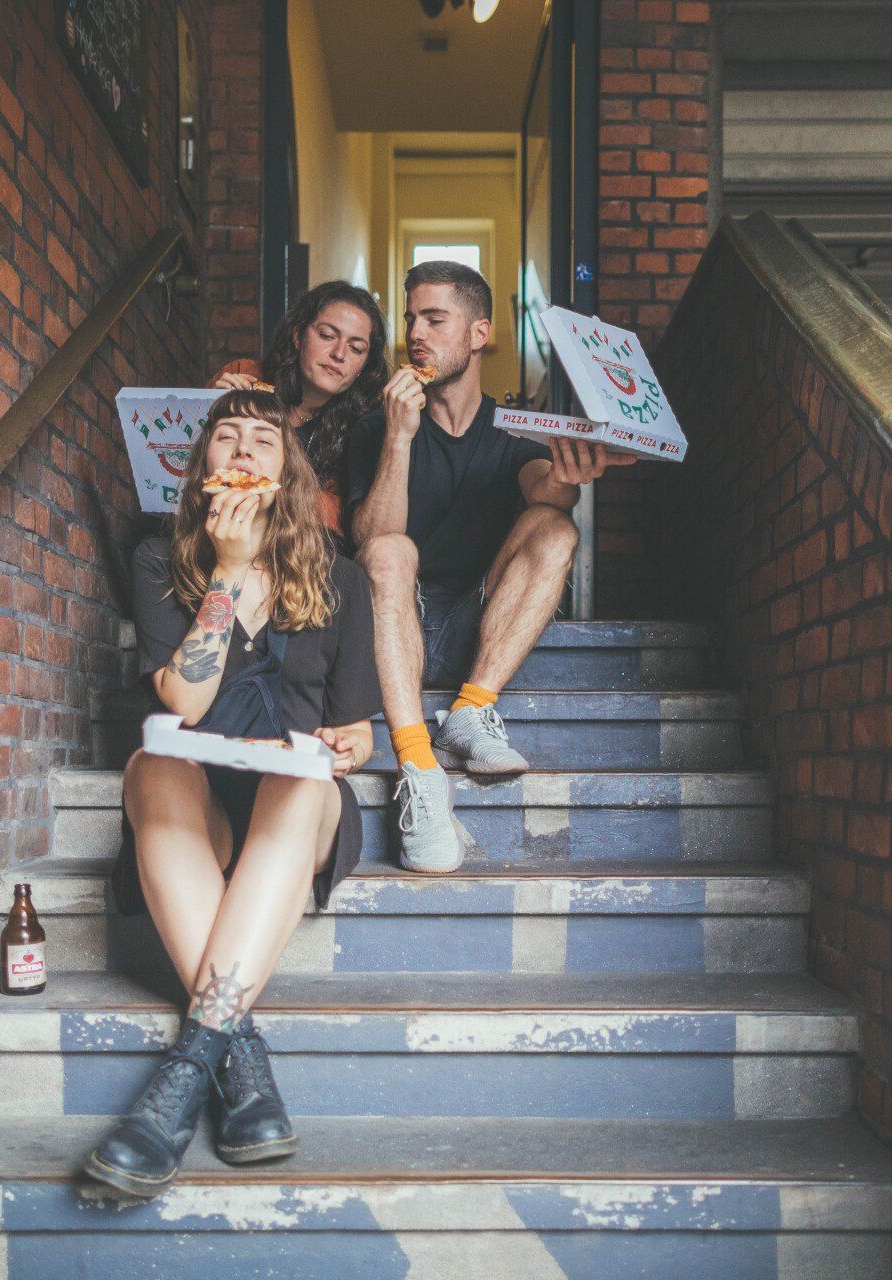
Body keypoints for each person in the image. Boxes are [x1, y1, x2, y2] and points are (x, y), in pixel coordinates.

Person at [83, 388, 381, 1199]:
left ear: (287, 472)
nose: (244, 452)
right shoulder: (160, 562)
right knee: (152, 766)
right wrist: (232, 570)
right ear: (201, 465)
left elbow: (355, 729)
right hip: (202, 803)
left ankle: (180, 1079)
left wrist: (349, 745)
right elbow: (181, 700)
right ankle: (234, 1055)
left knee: (301, 785)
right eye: (227, 438)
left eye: (263, 441)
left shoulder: (343, 579)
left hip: (296, 806)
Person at [347, 260, 635, 874]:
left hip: (481, 631)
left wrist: (570, 474)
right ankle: (420, 768)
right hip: (395, 632)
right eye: (410, 319)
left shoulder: (514, 432)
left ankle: (472, 709)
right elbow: (372, 540)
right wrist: (399, 438)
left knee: (556, 526)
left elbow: (547, 494)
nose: (414, 334)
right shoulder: (377, 426)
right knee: (390, 550)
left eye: (434, 318)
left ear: (478, 334)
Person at [209, 281, 390, 544]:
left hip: (302, 549)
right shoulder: (244, 376)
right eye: (327, 336)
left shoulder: (361, 426)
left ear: (364, 365)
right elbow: (190, 470)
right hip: (223, 528)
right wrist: (211, 409)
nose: (339, 354)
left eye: (356, 348)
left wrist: (269, 487)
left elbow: (341, 521)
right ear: (298, 336)